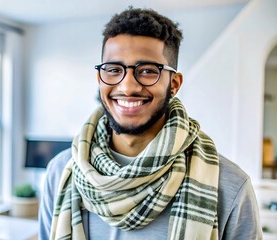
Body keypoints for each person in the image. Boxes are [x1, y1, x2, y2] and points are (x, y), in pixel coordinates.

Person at [38, 6, 263, 240]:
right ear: (100, 79)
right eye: (114, 69)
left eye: (147, 71)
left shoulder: (229, 187)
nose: (128, 87)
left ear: (174, 84)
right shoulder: (60, 173)